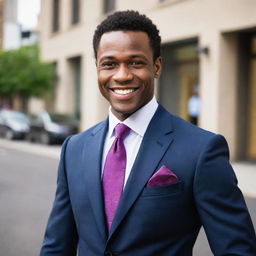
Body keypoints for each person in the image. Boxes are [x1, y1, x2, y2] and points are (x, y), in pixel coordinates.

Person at [39, 10, 256, 256]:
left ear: (156, 66)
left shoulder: (201, 149)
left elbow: (237, 249)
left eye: (135, 62)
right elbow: (57, 245)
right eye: (109, 64)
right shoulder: (74, 149)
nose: (122, 75)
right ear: (97, 69)